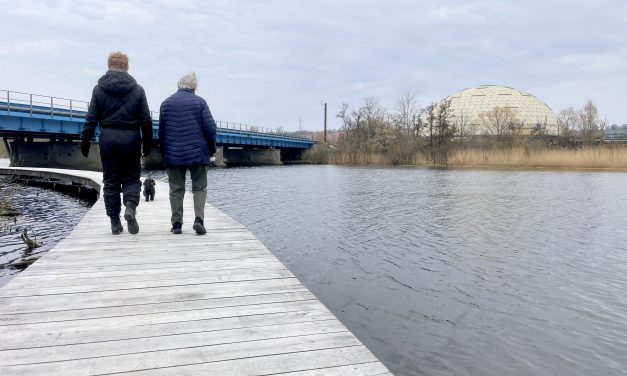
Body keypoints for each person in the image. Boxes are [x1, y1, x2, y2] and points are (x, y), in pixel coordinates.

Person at [81, 51, 152, 235]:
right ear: (126, 67)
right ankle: (130, 207)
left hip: (108, 139)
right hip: (131, 140)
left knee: (111, 182)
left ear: (109, 66)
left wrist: (85, 141)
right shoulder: (138, 90)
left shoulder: (98, 89)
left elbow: (91, 119)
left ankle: (115, 222)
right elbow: (146, 120)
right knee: (131, 179)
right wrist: (148, 144)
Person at [159, 72, 216, 235]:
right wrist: (211, 150)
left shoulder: (165, 104)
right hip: (198, 153)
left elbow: (161, 134)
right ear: (194, 87)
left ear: (178, 85)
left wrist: (165, 155)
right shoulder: (200, 103)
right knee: (199, 187)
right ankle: (199, 220)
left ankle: (176, 224)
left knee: (176, 189)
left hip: (173, 154)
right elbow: (210, 129)